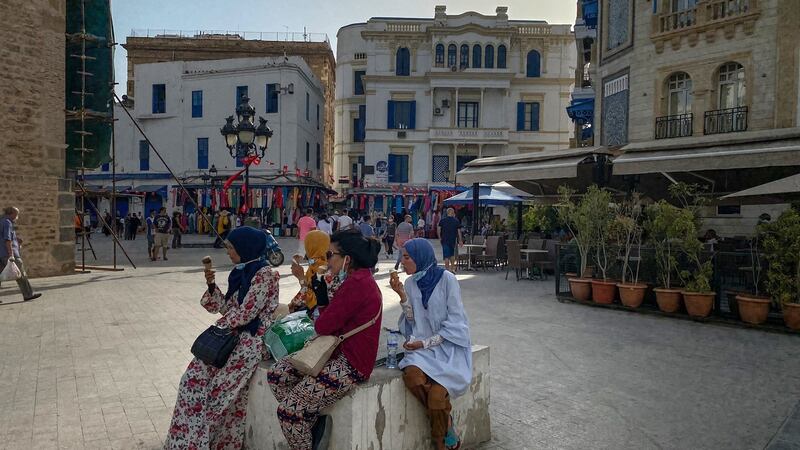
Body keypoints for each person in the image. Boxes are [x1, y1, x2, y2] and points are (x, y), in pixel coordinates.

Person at [164, 227, 280, 449]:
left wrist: (222, 325)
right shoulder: (241, 272)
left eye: (231, 248)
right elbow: (228, 308)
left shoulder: (265, 274)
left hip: (250, 341)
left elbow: (247, 314)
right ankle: (187, 442)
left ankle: (200, 443)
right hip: (232, 337)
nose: (228, 252)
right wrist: (211, 286)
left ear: (245, 248)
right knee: (192, 380)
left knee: (217, 395)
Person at [267, 230, 382, 450]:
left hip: (351, 363)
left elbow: (322, 326)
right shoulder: (354, 279)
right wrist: (322, 298)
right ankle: (307, 422)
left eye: (330, 255)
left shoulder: (357, 283)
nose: (327, 260)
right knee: (276, 374)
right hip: (335, 352)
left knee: (288, 412)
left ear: (347, 259)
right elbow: (330, 320)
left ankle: (300, 423)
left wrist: (321, 300)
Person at [390, 239, 472, 450]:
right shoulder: (411, 283)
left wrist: (425, 342)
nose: (402, 262)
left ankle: (441, 442)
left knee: (436, 398)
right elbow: (412, 320)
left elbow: (456, 322)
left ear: (420, 257)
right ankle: (446, 419)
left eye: (407, 257)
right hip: (423, 350)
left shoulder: (447, 279)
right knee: (412, 377)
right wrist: (402, 296)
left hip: (449, 347)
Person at [288, 230, 342, 316]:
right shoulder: (315, 265)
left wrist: (301, 278)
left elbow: (311, 297)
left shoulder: (323, 270)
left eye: (307, 246)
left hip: (320, 315)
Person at [0, 207, 41, 302]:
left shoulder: (1, 221)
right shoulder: (7, 222)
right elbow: (7, 239)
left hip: (1, 253)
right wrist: (11, 255)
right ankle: (28, 294)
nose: (17, 217)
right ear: (12, 214)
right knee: (21, 274)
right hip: (8, 253)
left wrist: (16, 239)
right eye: (16, 214)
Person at [438, 208, 463, 273]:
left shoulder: (442, 221)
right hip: (453, 240)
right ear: (453, 213)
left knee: (446, 256)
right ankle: (452, 269)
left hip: (444, 240)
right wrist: (460, 240)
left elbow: (439, 229)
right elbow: (459, 231)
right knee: (452, 255)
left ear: (447, 213)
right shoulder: (456, 221)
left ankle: (447, 270)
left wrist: (439, 237)